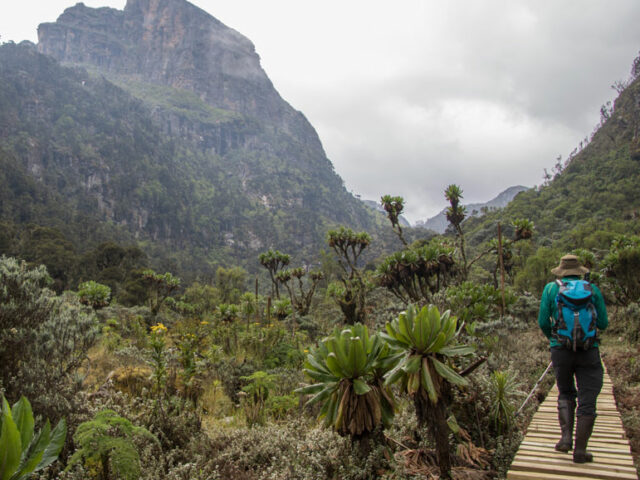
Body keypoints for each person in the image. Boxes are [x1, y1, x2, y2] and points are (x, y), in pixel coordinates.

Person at [537, 254, 608, 463]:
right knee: (588, 398)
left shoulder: (551, 289)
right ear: (580, 271)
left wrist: (554, 338)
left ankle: (565, 438)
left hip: (561, 349)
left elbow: (543, 320)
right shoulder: (592, 290)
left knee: (565, 391)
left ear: (561, 271)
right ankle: (580, 450)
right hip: (589, 351)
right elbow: (603, 323)